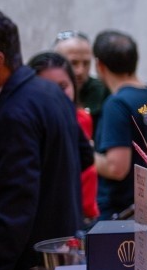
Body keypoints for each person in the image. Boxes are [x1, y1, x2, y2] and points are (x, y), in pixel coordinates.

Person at [0, 10, 86, 270]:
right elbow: (85, 155)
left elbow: (14, 211)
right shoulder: (50, 94)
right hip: (60, 262)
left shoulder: (15, 111)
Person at [92, 30, 147, 221]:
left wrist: (83, 152)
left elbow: (116, 168)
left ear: (99, 65)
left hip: (121, 217)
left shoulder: (117, 104)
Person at [28, 51, 99, 226]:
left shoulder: (81, 118)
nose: (55, 95)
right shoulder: (27, 124)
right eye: (47, 87)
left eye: (62, 87)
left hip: (81, 214)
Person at [52, 30, 109, 131]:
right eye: (73, 63)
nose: (80, 71)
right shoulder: (44, 92)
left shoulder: (101, 91)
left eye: (86, 63)